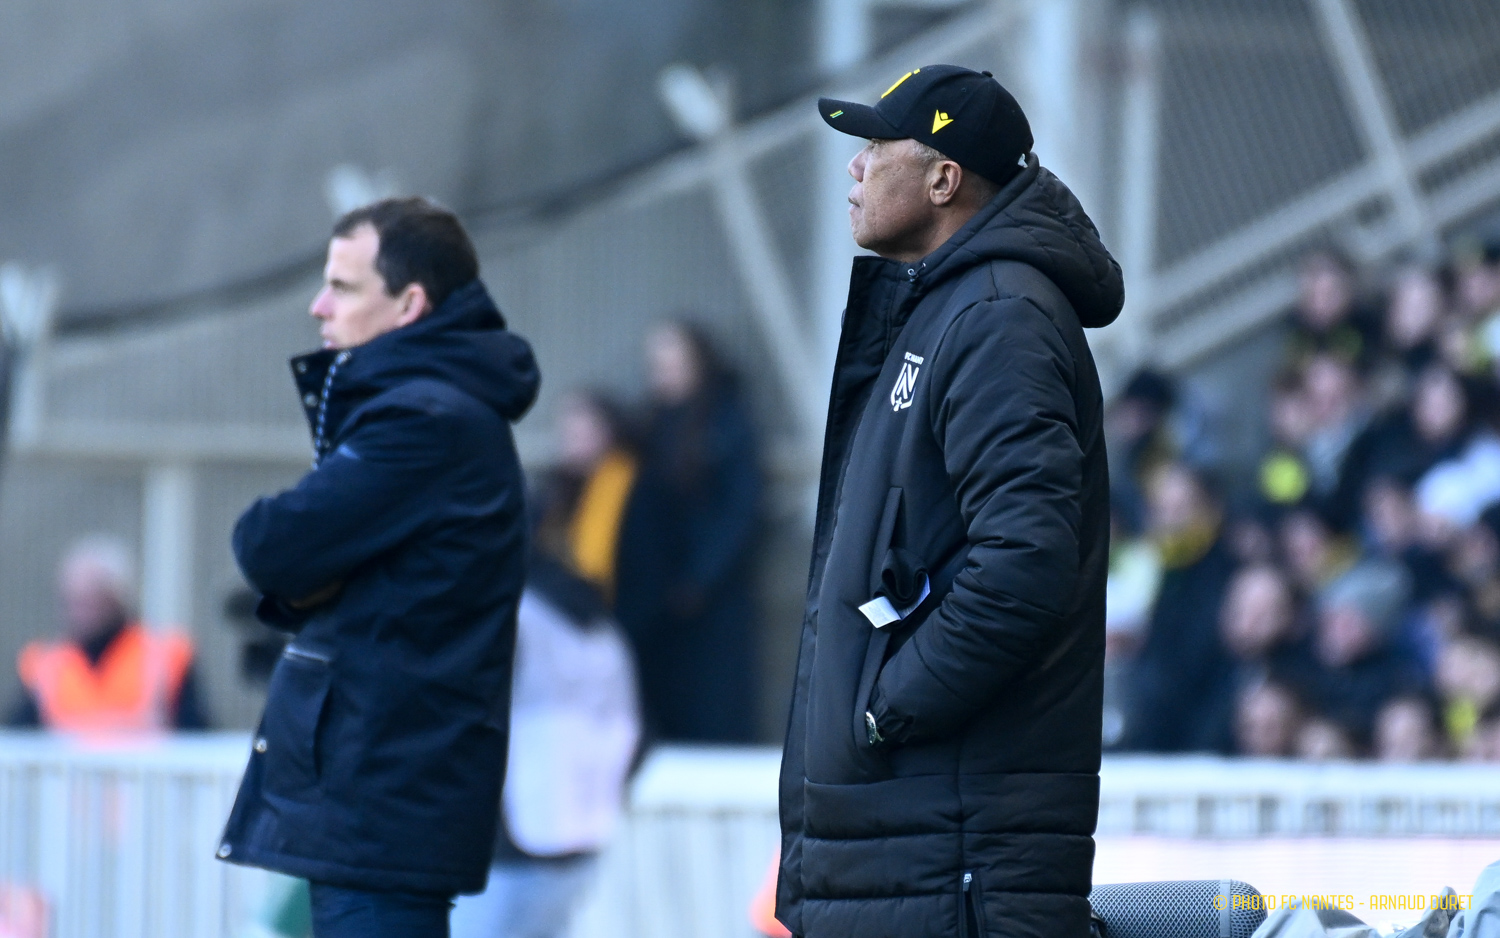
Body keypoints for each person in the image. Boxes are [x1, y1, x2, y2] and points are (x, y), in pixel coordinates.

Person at [777, 66, 1123, 938]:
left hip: (954, 862)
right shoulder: (947, 310)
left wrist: (884, 709)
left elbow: (1024, 566)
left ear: (943, 179)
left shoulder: (999, 316)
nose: (854, 166)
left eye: (875, 146)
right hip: (917, 852)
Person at [216, 197, 540, 938]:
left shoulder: (423, 421)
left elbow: (267, 544)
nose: (318, 306)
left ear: (409, 305)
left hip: (381, 808)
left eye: (343, 286)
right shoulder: (436, 413)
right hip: (384, 806)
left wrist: (313, 578)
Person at [615, 320, 763, 743]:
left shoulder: (726, 423)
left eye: (673, 363)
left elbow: (740, 512)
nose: (662, 374)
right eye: (656, 364)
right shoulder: (650, 425)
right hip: (657, 596)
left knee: (712, 710)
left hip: (711, 599)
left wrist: (699, 578)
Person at [8, 534, 208, 731]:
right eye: (73, 602)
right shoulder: (46, 664)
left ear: (117, 598)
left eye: (90, 601)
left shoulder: (166, 657)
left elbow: (197, 736)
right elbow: (16, 736)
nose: (79, 613)